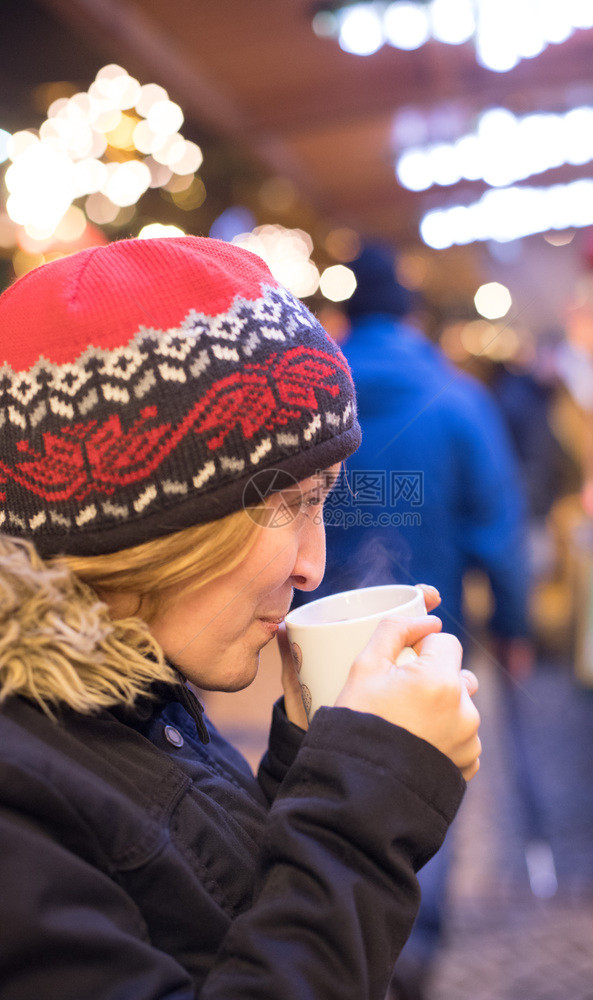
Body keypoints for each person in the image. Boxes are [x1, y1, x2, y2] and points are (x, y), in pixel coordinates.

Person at [0, 236, 481, 1000]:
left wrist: (311, 758)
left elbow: (213, 912)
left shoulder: (130, 697)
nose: (312, 567)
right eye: (289, 504)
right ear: (150, 523)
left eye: (323, 502)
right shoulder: (20, 796)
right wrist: (366, 803)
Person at [298, 243, 532, 998]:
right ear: (411, 315)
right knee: (430, 770)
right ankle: (413, 950)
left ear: (343, 315)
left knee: (321, 779)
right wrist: (515, 626)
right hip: (428, 637)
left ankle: (335, 942)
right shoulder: (458, 397)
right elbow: (496, 525)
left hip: (315, 638)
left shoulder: (311, 394)